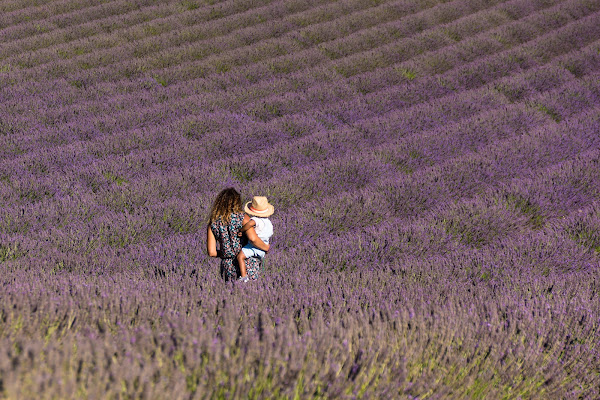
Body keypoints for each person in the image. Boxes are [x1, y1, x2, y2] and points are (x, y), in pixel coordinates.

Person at [206, 188, 269, 281]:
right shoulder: (243, 218)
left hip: (228, 266)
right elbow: (253, 238)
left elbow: (212, 252)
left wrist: (226, 253)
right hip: (248, 263)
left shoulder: (213, 223)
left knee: (233, 293)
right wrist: (265, 247)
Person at [237, 196, 274, 282]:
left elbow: (250, 224)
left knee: (240, 257)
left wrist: (242, 230)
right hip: (263, 246)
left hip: (254, 246)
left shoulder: (255, 220)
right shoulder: (269, 222)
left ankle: (243, 277)